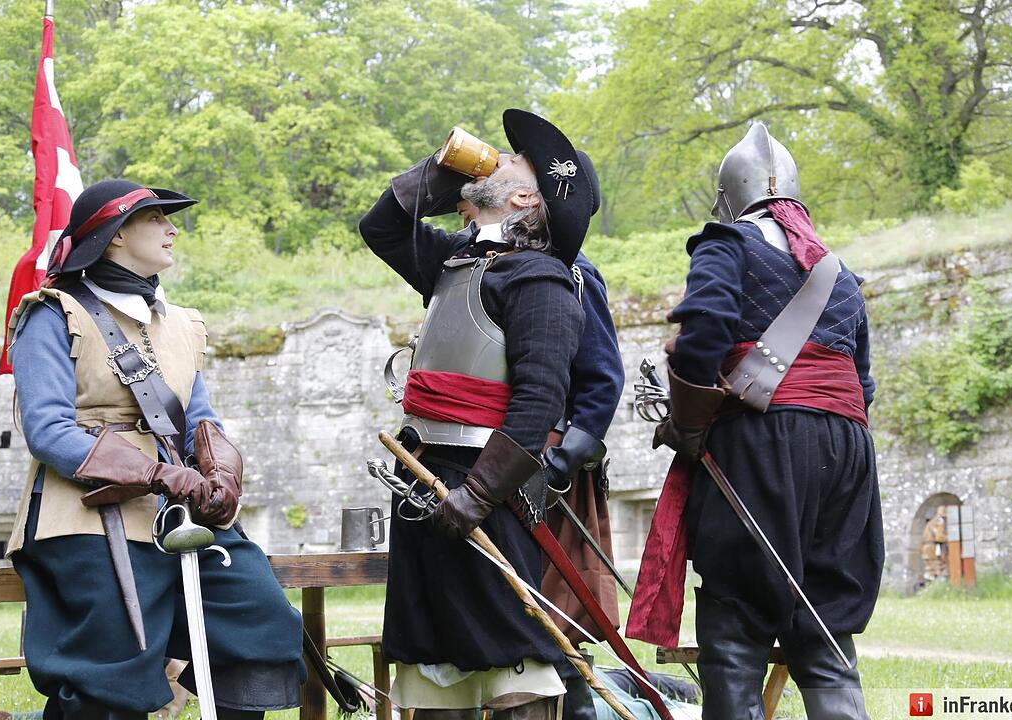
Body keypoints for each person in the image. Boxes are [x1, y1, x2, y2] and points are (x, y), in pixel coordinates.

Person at [5, 180, 305, 720]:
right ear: (116, 235)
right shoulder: (51, 313)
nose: (171, 230)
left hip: (179, 512)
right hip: (83, 517)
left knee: (261, 622)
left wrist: (219, 474)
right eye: (156, 219)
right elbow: (48, 430)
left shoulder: (180, 323)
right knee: (109, 673)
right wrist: (159, 475)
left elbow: (198, 420)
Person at [639, 123, 884, 719]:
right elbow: (862, 383)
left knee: (737, 616)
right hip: (847, 451)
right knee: (825, 619)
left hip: (763, 441)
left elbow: (702, 334)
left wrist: (690, 425)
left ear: (729, 197)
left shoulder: (726, 243)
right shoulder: (840, 272)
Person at [359, 109, 594, 720]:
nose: (500, 157)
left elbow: (539, 402)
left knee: (514, 652)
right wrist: (442, 172)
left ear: (524, 197)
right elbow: (381, 226)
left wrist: (479, 494)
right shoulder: (456, 263)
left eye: (516, 161)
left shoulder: (541, 281)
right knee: (435, 659)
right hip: (422, 478)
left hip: (488, 487)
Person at [461, 154, 625, 720]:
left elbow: (601, 377)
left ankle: (574, 710)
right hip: (487, 456)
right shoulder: (484, 263)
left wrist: (560, 463)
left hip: (548, 467)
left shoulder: (573, 272)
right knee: (499, 604)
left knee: (550, 609)